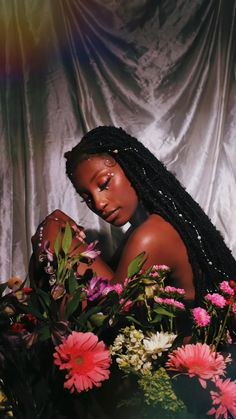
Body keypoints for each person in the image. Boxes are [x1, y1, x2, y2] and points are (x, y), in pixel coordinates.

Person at [31, 126, 236, 305]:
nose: (99, 203)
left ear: (131, 167)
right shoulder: (146, 230)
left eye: (104, 184)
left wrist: (51, 231)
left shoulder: (152, 236)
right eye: (87, 198)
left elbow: (106, 321)